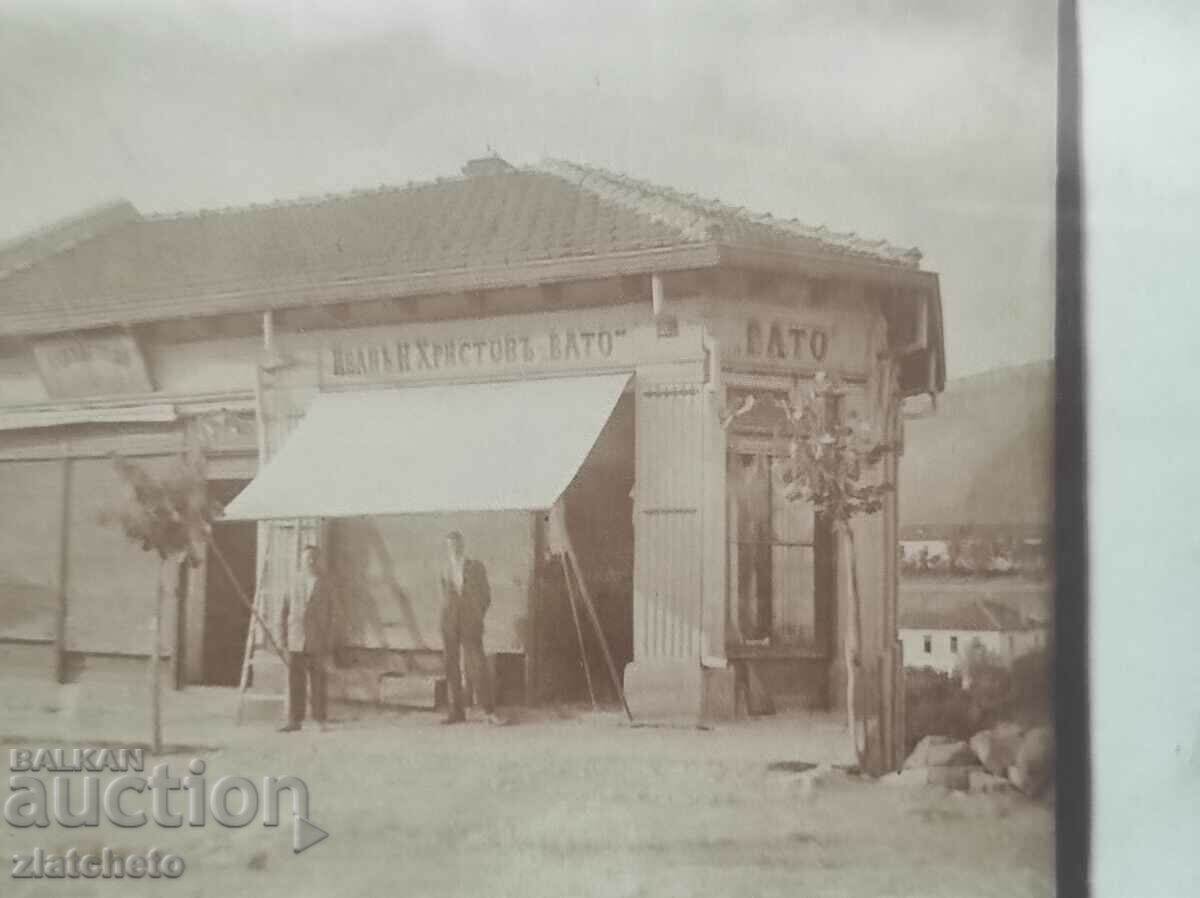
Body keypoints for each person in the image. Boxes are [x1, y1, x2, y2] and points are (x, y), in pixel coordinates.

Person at [440, 531, 501, 725]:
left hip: (470, 623)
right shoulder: (444, 569)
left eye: (457, 545)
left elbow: (485, 596)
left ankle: (488, 710)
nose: (454, 549)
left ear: (462, 545)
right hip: (449, 623)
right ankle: (456, 711)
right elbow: (443, 597)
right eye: (450, 546)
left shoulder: (475, 567)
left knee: (477, 664)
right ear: (447, 548)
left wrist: (476, 616)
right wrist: (446, 617)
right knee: (451, 666)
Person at [278, 545, 334, 732]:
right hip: (296, 638)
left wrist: (328, 640)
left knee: (318, 681)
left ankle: (320, 720)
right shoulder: (293, 582)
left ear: (318, 561)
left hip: (317, 640)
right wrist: (283, 639)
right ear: (301, 561)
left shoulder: (325, 584)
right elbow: (284, 611)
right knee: (296, 682)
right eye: (306, 558)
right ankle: (295, 721)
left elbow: (332, 615)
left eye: (313, 558)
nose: (310, 561)